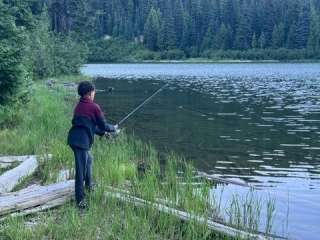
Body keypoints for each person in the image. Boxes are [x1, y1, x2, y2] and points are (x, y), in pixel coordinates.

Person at [67, 81, 117, 210]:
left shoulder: (79, 106)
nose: (94, 94)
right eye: (94, 92)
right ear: (90, 93)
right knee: (80, 172)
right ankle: (80, 201)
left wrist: (103, 133)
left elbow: (91, 126)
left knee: (89, 160)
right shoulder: (94, 107)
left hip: (75, 139)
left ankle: (89, 185)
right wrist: (113, 128)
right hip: (81, 143)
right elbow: (102, 125)